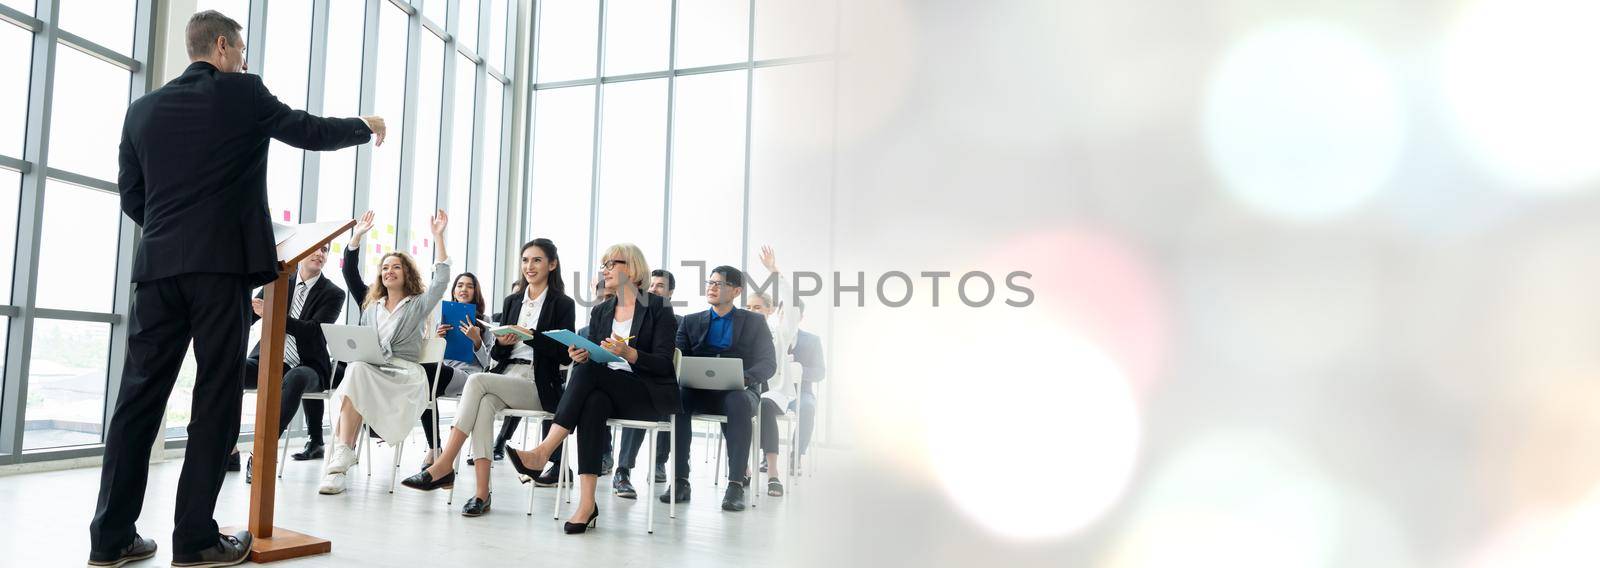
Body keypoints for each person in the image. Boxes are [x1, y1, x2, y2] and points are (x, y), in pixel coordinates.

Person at [89, 10, 383, 567]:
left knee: (137, 400)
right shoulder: (243, 94)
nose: (244, 61)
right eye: (241, 51)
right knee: (215, 397)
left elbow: (133, 195)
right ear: (221, 47)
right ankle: (195, 539)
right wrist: (364, 126)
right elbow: (308, 130)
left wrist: (171, 232)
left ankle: (109, 539)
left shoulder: (142, 110)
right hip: (220, 271)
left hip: (156, 271)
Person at [506, 244, 680, 533]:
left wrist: (630, 353)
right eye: (604, 264)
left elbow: (664, 364)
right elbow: (598, 357)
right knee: (593, 399)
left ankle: (544, 450)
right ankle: (587, 504)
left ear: (633, 268)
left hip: (645, 394)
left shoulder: (659, 308)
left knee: (589, 377)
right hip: (607, 390)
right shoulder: (602, 311)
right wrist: (581, 354)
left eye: (612, 263)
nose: (605, 269)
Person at [402, 239, 576, 516]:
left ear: (552, 265)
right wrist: (505, 343)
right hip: (505, 374)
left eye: (537, 260)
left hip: (537, 383)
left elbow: (566, 355)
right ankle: (481, 494)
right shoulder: (512, 301)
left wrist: (531, 337)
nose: (529, 266)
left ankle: (445, 461)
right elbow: (497, 352)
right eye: (525, 260)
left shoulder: (562, 304)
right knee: (482, 405)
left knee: (476, 381)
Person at [317, 209, 453, 495]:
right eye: (384, 267)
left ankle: (341, 458)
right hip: (372, 371)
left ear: (407, 274)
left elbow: (441, 282)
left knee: (355, 376)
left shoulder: (417, 304)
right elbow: (349, 272)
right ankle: (340, 462)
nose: (388, 271)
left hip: (404, 374)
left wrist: (439, 237)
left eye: (395, 267)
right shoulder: (370, 305)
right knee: (355, 370)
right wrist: (355, 238)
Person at [227, 243, 345, 484]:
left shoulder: (333, 293)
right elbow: (248, 317)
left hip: (309, 366)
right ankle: (229, 449)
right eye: (315, 248)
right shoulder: (276, 281)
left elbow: (313, 332)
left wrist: (272, 313)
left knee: (296, 377)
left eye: (325, 250)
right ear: (301, 253)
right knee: (230, 368)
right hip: (271, 359)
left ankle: (261, 455)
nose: (319, 254)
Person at [663, 265, 776, 512]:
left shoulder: (754, 322)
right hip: (699, 390)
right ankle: (680, 480)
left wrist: (745, 377)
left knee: (737, 401)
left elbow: (769, 363)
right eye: (710, 282)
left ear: (736, 291)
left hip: (739, 390)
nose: (712, 287)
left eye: (719, 284)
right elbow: (679, 359)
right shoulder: (691, 321)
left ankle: (735, 484)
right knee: (678, 398)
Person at [613, 269, 680, 497]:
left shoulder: (675, 320)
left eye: (660, 286)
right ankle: (617, 466)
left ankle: (659, 461)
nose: (653, 289)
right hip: (630, 376)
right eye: (651, 285)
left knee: (654, 399)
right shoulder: (633, 318)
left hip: (660, 381)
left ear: (671, 292)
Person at [744, 247, 802, 497]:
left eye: (757, 307)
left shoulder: (781, 332)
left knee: (765, 405)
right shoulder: (742, 333)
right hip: (750, 388)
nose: (751, 311)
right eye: (748, 307)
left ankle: (773, 473)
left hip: (776, 393)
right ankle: (742, 469)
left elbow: (791, 303)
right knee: (737, 405)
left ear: (769, 310)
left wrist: (775, 272)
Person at [418, 272, 493, 462]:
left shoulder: (485, 320)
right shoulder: (442, 317)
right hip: (444, 371)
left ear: (475, 291)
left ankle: (435, 450)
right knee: (424, 383)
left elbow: (487, 364)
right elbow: (430, 354)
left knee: (426, 380)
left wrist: (476, 340)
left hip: (469, 376)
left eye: (469, 286)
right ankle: (435, 448)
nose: (463, 289)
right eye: (459, 285)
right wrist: (437, 339)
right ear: (453, 290)